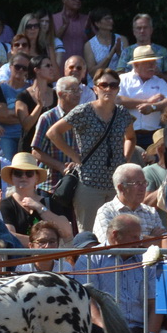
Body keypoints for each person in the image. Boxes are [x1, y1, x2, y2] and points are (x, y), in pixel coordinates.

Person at [42, 67, 134, 233]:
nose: (108, 89)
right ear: (95, 89)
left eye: (113, 85)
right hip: (89, 182)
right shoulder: (83, 111)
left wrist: (125, 160)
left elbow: (131, 138)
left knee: (118, 233)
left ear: (118, 89)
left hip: (116, 184)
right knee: (89, 234)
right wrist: (75, 157)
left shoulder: (122, 113)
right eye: (104, 85)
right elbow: (53, 133)